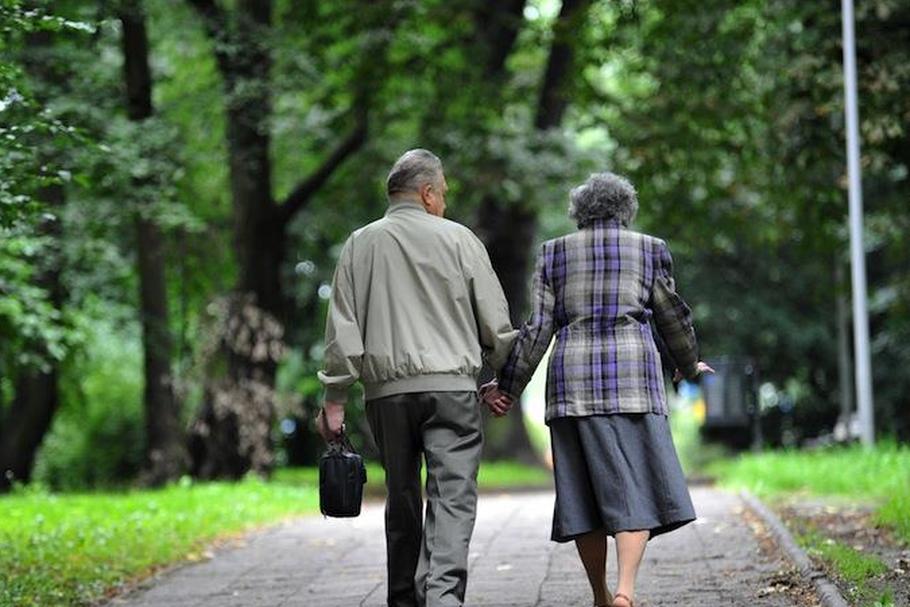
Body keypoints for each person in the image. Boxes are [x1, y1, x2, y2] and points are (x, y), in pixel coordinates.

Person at [482, 172, 713, 607]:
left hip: (573, 387)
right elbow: (673, 318)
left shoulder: (554, 254)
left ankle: (600, 597)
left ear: (578, 213)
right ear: (627, 210)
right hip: (634, 384)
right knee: (636, 489)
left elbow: (537, 330)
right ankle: (625, 591)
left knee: (583, 498)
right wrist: (686, 365)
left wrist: (508, 386)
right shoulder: (650, 249)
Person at [315, 149, 517, 607]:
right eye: (442, 194)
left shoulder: (360, 243)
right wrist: (505, 375)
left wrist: (334, 399)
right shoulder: (461, 240)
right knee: (452, 497)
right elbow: (496, 324)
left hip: (387, 397)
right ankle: (443, 596)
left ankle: (404, 599)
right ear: (427, 193)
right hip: (452, 393)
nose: (443, 202)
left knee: (402, 500)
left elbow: (342, 329)